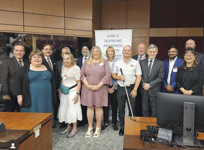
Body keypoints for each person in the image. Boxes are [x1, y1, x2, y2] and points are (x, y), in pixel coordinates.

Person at [15, 50, 57, 126]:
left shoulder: (46, 66)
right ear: (31, 59)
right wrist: (19, 95)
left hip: (46, 96)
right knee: (33, 113)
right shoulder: (25, 68)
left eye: (39, 57)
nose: (36, 59)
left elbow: (53, 80)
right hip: (32, 96)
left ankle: (45, 129)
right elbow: (17, 82)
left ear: (42, 58)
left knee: (46, 112)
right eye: (34, 57)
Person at [80, 46, 111, 137]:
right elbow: (82, 75)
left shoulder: (104, 62)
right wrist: (88, 85)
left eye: (97, 51)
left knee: (98, 107)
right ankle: (90, 127)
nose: (95, 53)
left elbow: (107, 75)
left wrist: (98, 86)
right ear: (91, 53)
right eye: (94, 51)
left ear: (100, 52)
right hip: (87, 88)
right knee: (89, 107)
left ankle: (98, 127)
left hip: (100, 88)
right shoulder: (86, 62)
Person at [112, 45, 142, 136]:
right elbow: (113, 75)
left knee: (132, 108)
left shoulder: (136, 63)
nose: (126, 52)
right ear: (122, 52)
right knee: (121, 109)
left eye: (128, 50)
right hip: (121, 88)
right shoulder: (117, 63)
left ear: (131, 52)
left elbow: (139, 76)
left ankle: (131, 126)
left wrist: (135, 89)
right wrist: (119, 77)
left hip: (132, 88)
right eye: (125, 50)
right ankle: (122, 127)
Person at [58, 52, 82, 138]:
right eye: (64, 59)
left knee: (73, 110)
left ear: (71, 59)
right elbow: (62, 79)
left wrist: (77, 94)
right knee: (66, 109)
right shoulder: (63, 67)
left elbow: (79, 82)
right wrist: (59, 90)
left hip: (73, 92)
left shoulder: (76, 68)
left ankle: (74, 129)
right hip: (64, 92)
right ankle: (68, 127)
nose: (66, 60)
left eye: (68, 58)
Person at [140, 44, 164, 117]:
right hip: (144, 90)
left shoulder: (160, 63)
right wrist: (144, 84)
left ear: (157, 52)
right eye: (150, 51)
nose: (152, 53)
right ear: (147, 52)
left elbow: (160, 77)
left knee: (154, 110)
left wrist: (149, 85)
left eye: (154, 52)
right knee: (145, 109)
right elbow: (139, 75)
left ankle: (153, 126)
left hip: (154, 90)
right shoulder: (142, 62)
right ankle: (145, 125)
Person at [1, 43, 26, 112]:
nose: (19, 52)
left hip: (25, 94)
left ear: (24, 52)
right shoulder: (7, 62)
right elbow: (3, 79)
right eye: (17, 50)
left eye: (21, 50)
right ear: (13, 51)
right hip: (11, 95)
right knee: (10, 117)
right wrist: (5, 93)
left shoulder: (27, 62)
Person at [102, 46, 118, 131]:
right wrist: (108, 87)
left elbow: (117, 75)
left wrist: (113, 87)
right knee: (106, 106)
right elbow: (103, 75)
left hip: (115, 87)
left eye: (112, 51)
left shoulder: (118, 62)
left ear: (114, 53)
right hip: (105, 87)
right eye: (109, 51)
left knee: (115, 106)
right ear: (107, 53)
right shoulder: (103, 62)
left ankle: (114, 123)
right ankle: (105, 122)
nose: (110, 53)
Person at [132, 43, 148, 116]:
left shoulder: (149, 58)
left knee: (145, 105)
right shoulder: (133, 58)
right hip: (134, 84)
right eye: (140, 48)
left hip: (145, 84)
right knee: (135, 104)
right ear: (137, 49)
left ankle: (143, 118)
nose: (141, 49)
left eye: (143, 48)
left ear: (145, 49)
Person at [77, 43, 91, 127]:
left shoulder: (92, 59)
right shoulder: (79, 59)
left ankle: (88, 119)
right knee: (82, 101)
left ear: (89, 50)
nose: (84, 50)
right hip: (80, 83)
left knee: (89, 101)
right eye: (83, 49)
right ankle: (82, 120)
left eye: (86, 49)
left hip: (90, 83)